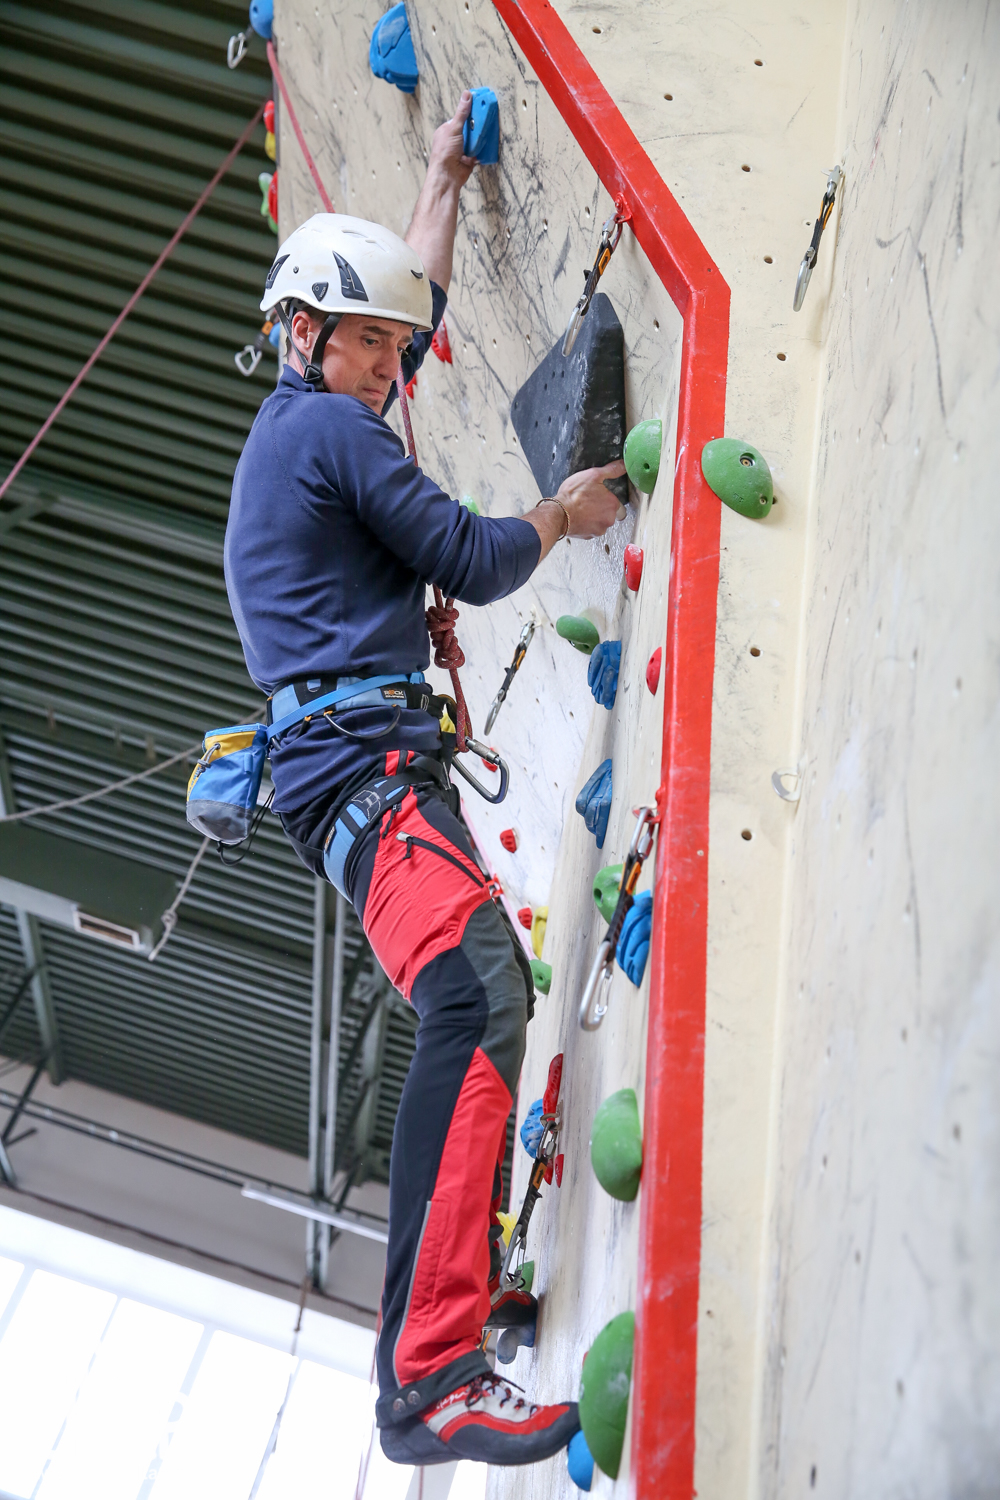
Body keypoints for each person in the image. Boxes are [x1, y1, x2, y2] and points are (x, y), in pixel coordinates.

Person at [224, 90, 625, 1468]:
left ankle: (446, 1334)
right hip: (363, 777)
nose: (398, 363)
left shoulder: (321, 416)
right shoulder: (321, 428)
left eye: (400, 346)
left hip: (366, 773)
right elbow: (472, 556)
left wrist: (444, 181)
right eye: (373, 346)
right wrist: (563, 512)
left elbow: (415, 293)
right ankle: (432, 1374)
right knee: (471, 990)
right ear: (302, 336)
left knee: (477, 992)